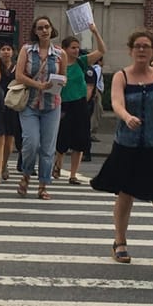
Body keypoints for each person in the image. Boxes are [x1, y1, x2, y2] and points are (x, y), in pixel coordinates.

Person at [91, 28, 153, 279]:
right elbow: (116, 103)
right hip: (128, 145)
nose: (142, 50)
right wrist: (126, 117)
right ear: (131, 50)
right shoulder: (122, 76)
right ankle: (120, 241)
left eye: (147, 46)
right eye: (138, 46)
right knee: (125, 194)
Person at [14, 16, 67, 199]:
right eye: (40, 28)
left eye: (47, 27)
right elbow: (19, 75)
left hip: (52, 105)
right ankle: (26, 174)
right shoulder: (27, 50)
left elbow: (63, 76)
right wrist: (38, 85)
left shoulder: (60, 54)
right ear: (35, 31)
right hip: (29, 103)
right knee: (31, 142)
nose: (44, 31)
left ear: (52, 29)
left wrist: (60, 83)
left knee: (47, 148)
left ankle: (43, 185)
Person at [53, 24, 105, 185]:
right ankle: (57, 165)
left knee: (80, 140)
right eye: (73, 48)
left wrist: (95, 32)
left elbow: (102, 51)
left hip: (80, 104)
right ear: (65, 49)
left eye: (77, 47)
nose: (76, 50)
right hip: (64, 104)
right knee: (62, 138)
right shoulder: (58, 63)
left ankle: (73, 174)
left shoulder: (82, 62)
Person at [0, 41, 20, 182]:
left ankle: (4, 164)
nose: (6, 52)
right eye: (3, 49)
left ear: (13, 52)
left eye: (8, 49)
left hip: (12, 106)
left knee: (9, 141)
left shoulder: (17, 68)